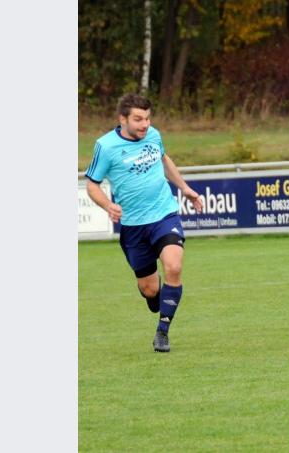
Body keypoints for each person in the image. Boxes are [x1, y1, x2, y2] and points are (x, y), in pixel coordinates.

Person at [84, 93, 203, 352]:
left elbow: (164, 159)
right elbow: (91, 184)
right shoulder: (105, 146)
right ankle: (155, 296)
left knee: (173, 266)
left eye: (147, 118)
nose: (145, 124)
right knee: (149, 289)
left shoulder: (153, 136)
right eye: (138, 119)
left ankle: (162, 332)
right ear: (122, 119)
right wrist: (107, 205)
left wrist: (185, 188)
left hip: (164, 215)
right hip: (134, 227)